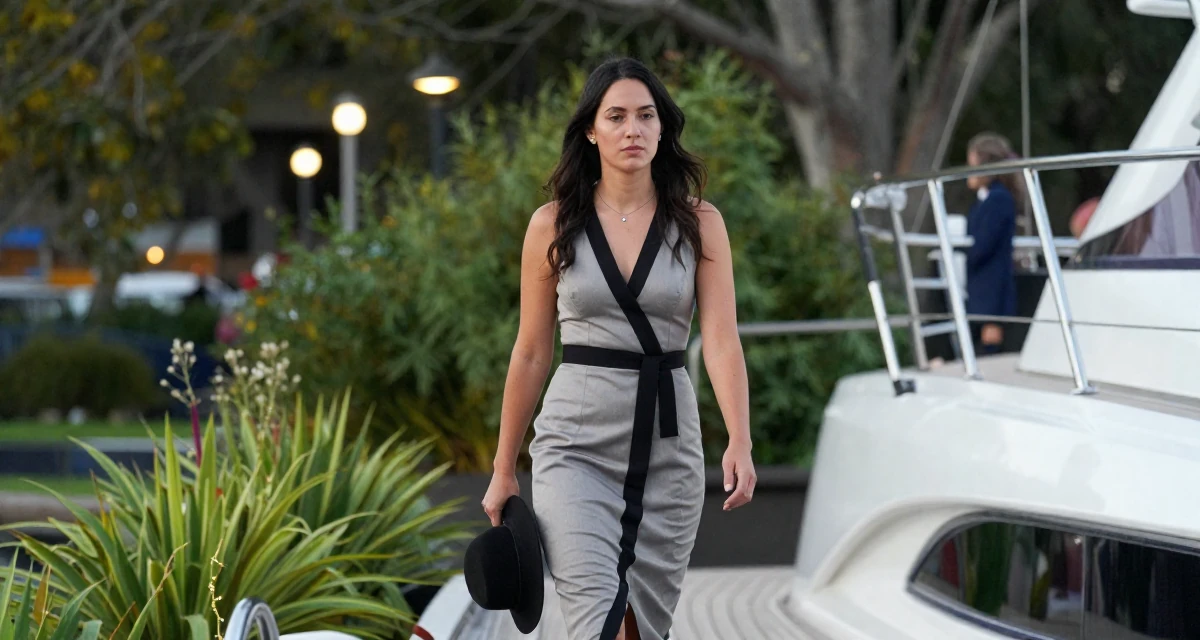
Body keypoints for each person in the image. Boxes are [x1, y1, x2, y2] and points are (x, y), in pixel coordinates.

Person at [481, 57, 756, 640]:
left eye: (645, 116)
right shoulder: (551, 225)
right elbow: (531, 351)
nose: (632, 129)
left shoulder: (700, 224)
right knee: (595, 621)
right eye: (616, 116)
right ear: (591, 130)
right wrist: (504, 467)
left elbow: (723, 341)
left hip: (669, 453)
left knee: (641, 630)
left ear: (662, 129)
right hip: (574, 450)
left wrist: (740, 438)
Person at [964, 132, 1021, 355]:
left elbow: (984, 245)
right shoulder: (985, 199)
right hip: (982, 290)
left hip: (992, 292)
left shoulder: (998, 199)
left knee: (990, 348)